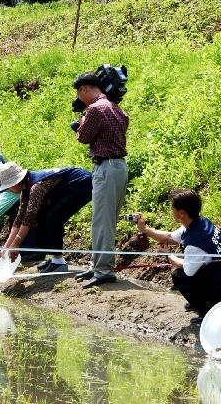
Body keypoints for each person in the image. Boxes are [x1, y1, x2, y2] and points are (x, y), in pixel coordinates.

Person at [134, 189, 221, 323]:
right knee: (191, 272)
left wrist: (168, 255)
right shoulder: (200, 222)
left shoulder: (195, 244)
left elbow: (187, 269)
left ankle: (207, 310)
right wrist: (145, 230)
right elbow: (169, 237)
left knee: (180, 276)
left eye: (172, 208)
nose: (171, 211)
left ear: (181, 213)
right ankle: (201, 301)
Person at [73, 70, 129, 289]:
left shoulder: (95, 109)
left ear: (85, 89)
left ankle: (103, 270)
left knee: (101, 220)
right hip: (118, 167)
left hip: (106, 167)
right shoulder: (115, 107)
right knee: (106, 219)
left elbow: (83, 137)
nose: (79, 98)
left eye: (79, 93)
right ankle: (98, 264)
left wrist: (79, 125)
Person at [0, 162, 92, 272]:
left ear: (15, 183)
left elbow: (29, 218)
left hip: (82, 183)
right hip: (69, 187)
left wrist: (15, 245)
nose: (9, 190)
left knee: (53, 217)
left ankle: (58, 261)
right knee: (45, 216)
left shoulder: (36, 187)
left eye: (8, 187)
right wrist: (7, 246)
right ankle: (53, 258)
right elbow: (20, 217)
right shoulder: (26, 188)